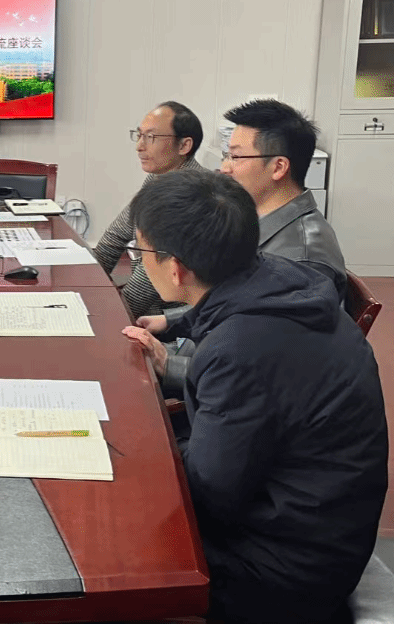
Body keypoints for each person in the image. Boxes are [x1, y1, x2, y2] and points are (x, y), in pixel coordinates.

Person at [122, 169, 387, 624]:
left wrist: (134, 450)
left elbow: (211, 497)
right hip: (311, 515)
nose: (137, 262)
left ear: (176, 268)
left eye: (139, 252)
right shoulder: (284, 276)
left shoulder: (239, 351)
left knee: (113, 541)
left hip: (285, 568)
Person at [138, 100, 346, 390]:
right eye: (227, 155)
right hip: (201, 352)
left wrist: (168, 364)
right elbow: (232, 300)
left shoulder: (302, 261)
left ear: (278, 167)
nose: (224, 168)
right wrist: (171, 322)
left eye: (236, 157)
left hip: (215, 384)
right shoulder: (255, 220)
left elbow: (264, 368)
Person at [93, 101, 204, 320]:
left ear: (184, 145)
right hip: (153, 306)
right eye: (139, 135)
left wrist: (112, 318)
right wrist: (89, 281)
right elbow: (116, 234)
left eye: (151, 137)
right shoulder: (159, 178)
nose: (139, 146)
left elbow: (150, 276)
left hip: (173, 318)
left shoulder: (191, 194)